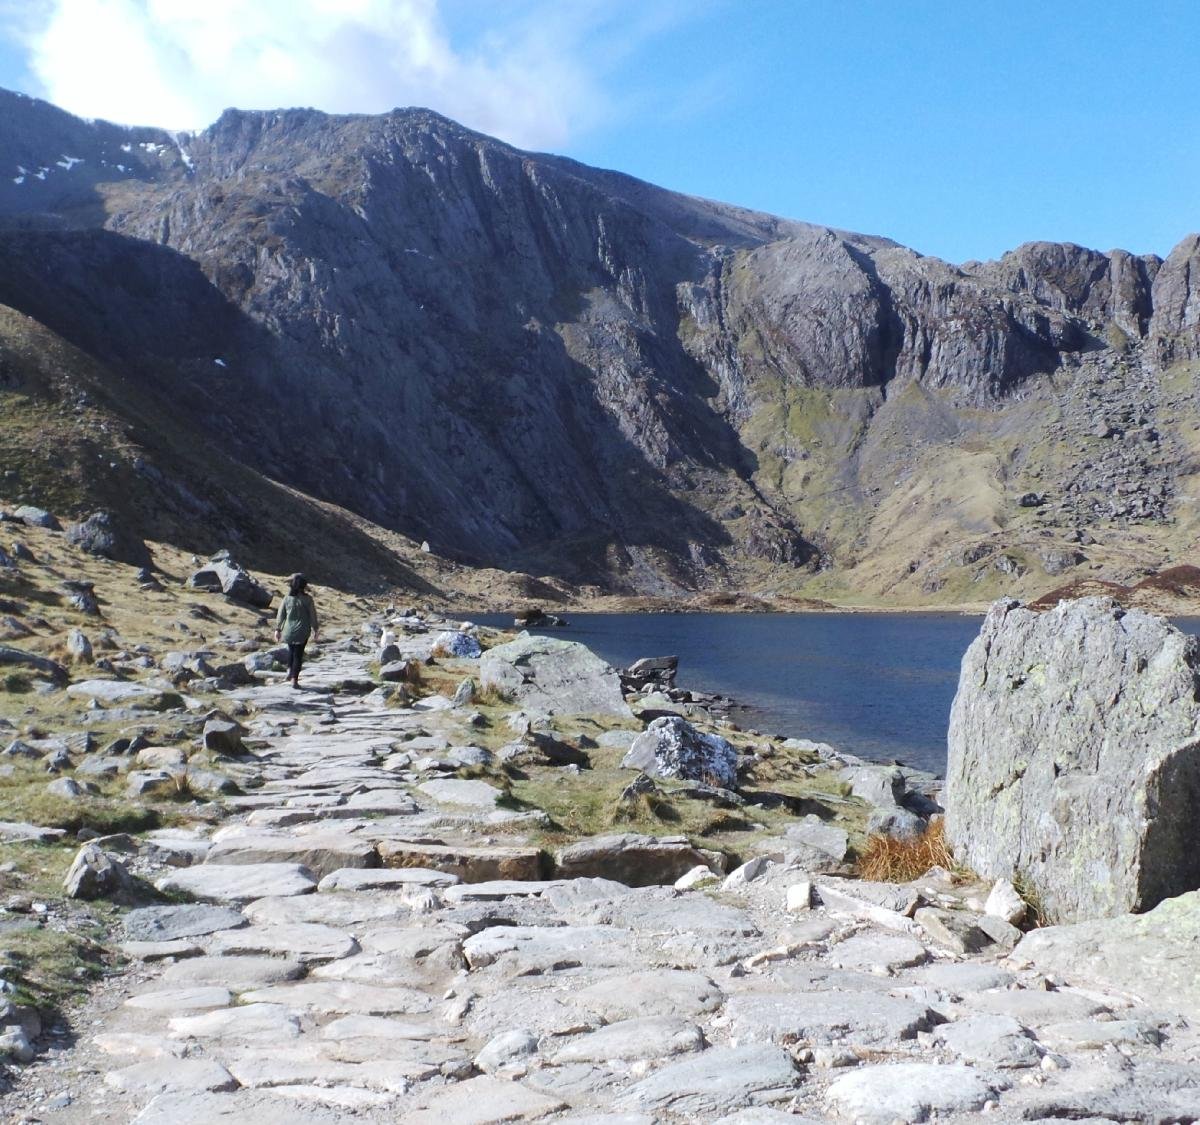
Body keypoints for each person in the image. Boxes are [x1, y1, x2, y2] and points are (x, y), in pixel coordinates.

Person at [274, 573, 319, 689]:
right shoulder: (308, 599)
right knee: (298, 655)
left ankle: (289, 670)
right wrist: (316, 629)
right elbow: (313, 616)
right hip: (302, 631)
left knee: (291, 651)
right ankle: (294, 679)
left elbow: (281, 615)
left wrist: (278, 629)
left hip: (288, 630)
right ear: (304, 586)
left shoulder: (287, 599)